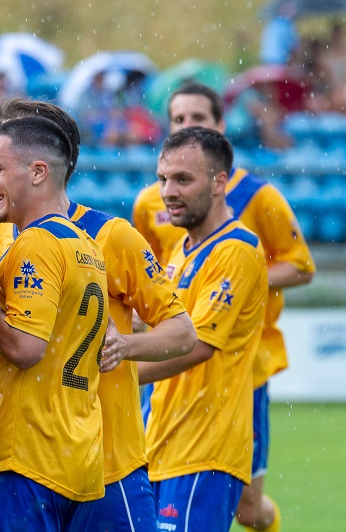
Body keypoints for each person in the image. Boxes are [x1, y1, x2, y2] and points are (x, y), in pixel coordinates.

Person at [0, 98, 196, 532]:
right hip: (27, 457)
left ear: (42, 165)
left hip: (109, 461)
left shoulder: (112, 235)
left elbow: (182, 331)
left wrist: (127, 345)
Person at [133, 82, 316, 531]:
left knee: (249, 510)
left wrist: (238, 286)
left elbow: (300, 266)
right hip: (166, 409)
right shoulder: (164, 224)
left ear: (219, 125)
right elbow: (155, 290)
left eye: (197, 118)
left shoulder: (251, 211)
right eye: (178, 119)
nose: (169, 191)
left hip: (225, 391)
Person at [0, 114, 108, 530]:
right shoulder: (86, 244)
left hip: (27, 454)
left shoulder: (36, 242)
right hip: (78, 454)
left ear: (38, 172)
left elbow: (25, 348)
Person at [139, 127, 268, 531]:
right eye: (163, 179)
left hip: (205, 448)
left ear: (219, 182)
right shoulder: (182, 249)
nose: (168, 192)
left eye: (183, 179)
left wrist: (114, 372)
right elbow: (160, 327)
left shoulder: (236, 250)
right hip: (162, 442)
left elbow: (198, 346)